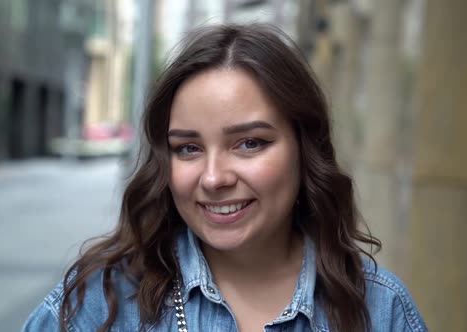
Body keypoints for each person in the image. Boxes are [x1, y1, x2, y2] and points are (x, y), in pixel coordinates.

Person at [22, 23, 427, 332]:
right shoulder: (102, 302)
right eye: (188, 148)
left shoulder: (379, 309)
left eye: (249, 143)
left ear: (305, 148)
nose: (213, 178)